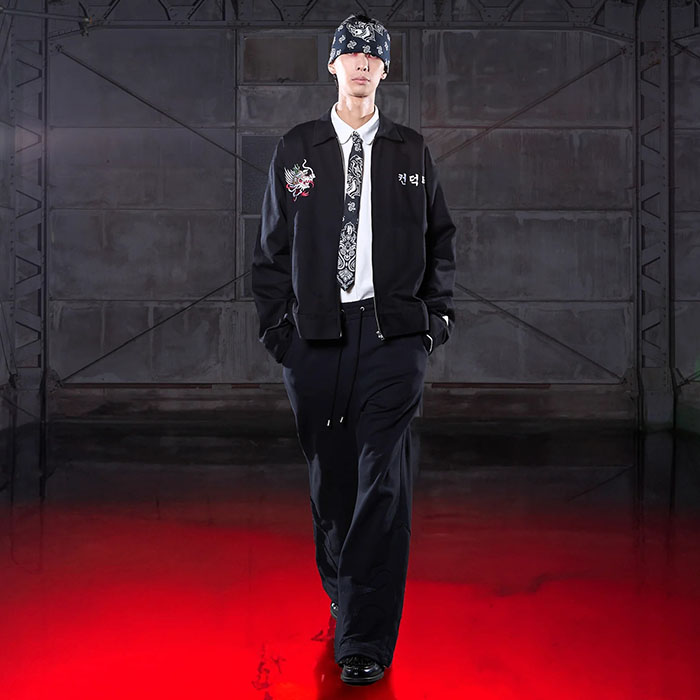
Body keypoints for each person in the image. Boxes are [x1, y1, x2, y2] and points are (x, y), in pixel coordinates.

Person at [251, 13, 456, 686]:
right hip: (316, 340)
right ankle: (343, 586)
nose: (362, 62)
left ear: (386, 69)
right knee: (332, 481)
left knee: (382, 482)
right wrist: (279, 333)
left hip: (393, 339)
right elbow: (271, 250)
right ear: (333, 65)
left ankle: (364, 639)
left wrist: (433, 321)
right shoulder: (298, 148)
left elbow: (441, 239)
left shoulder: (410, 152)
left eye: (373, 54)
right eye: (351, 53)